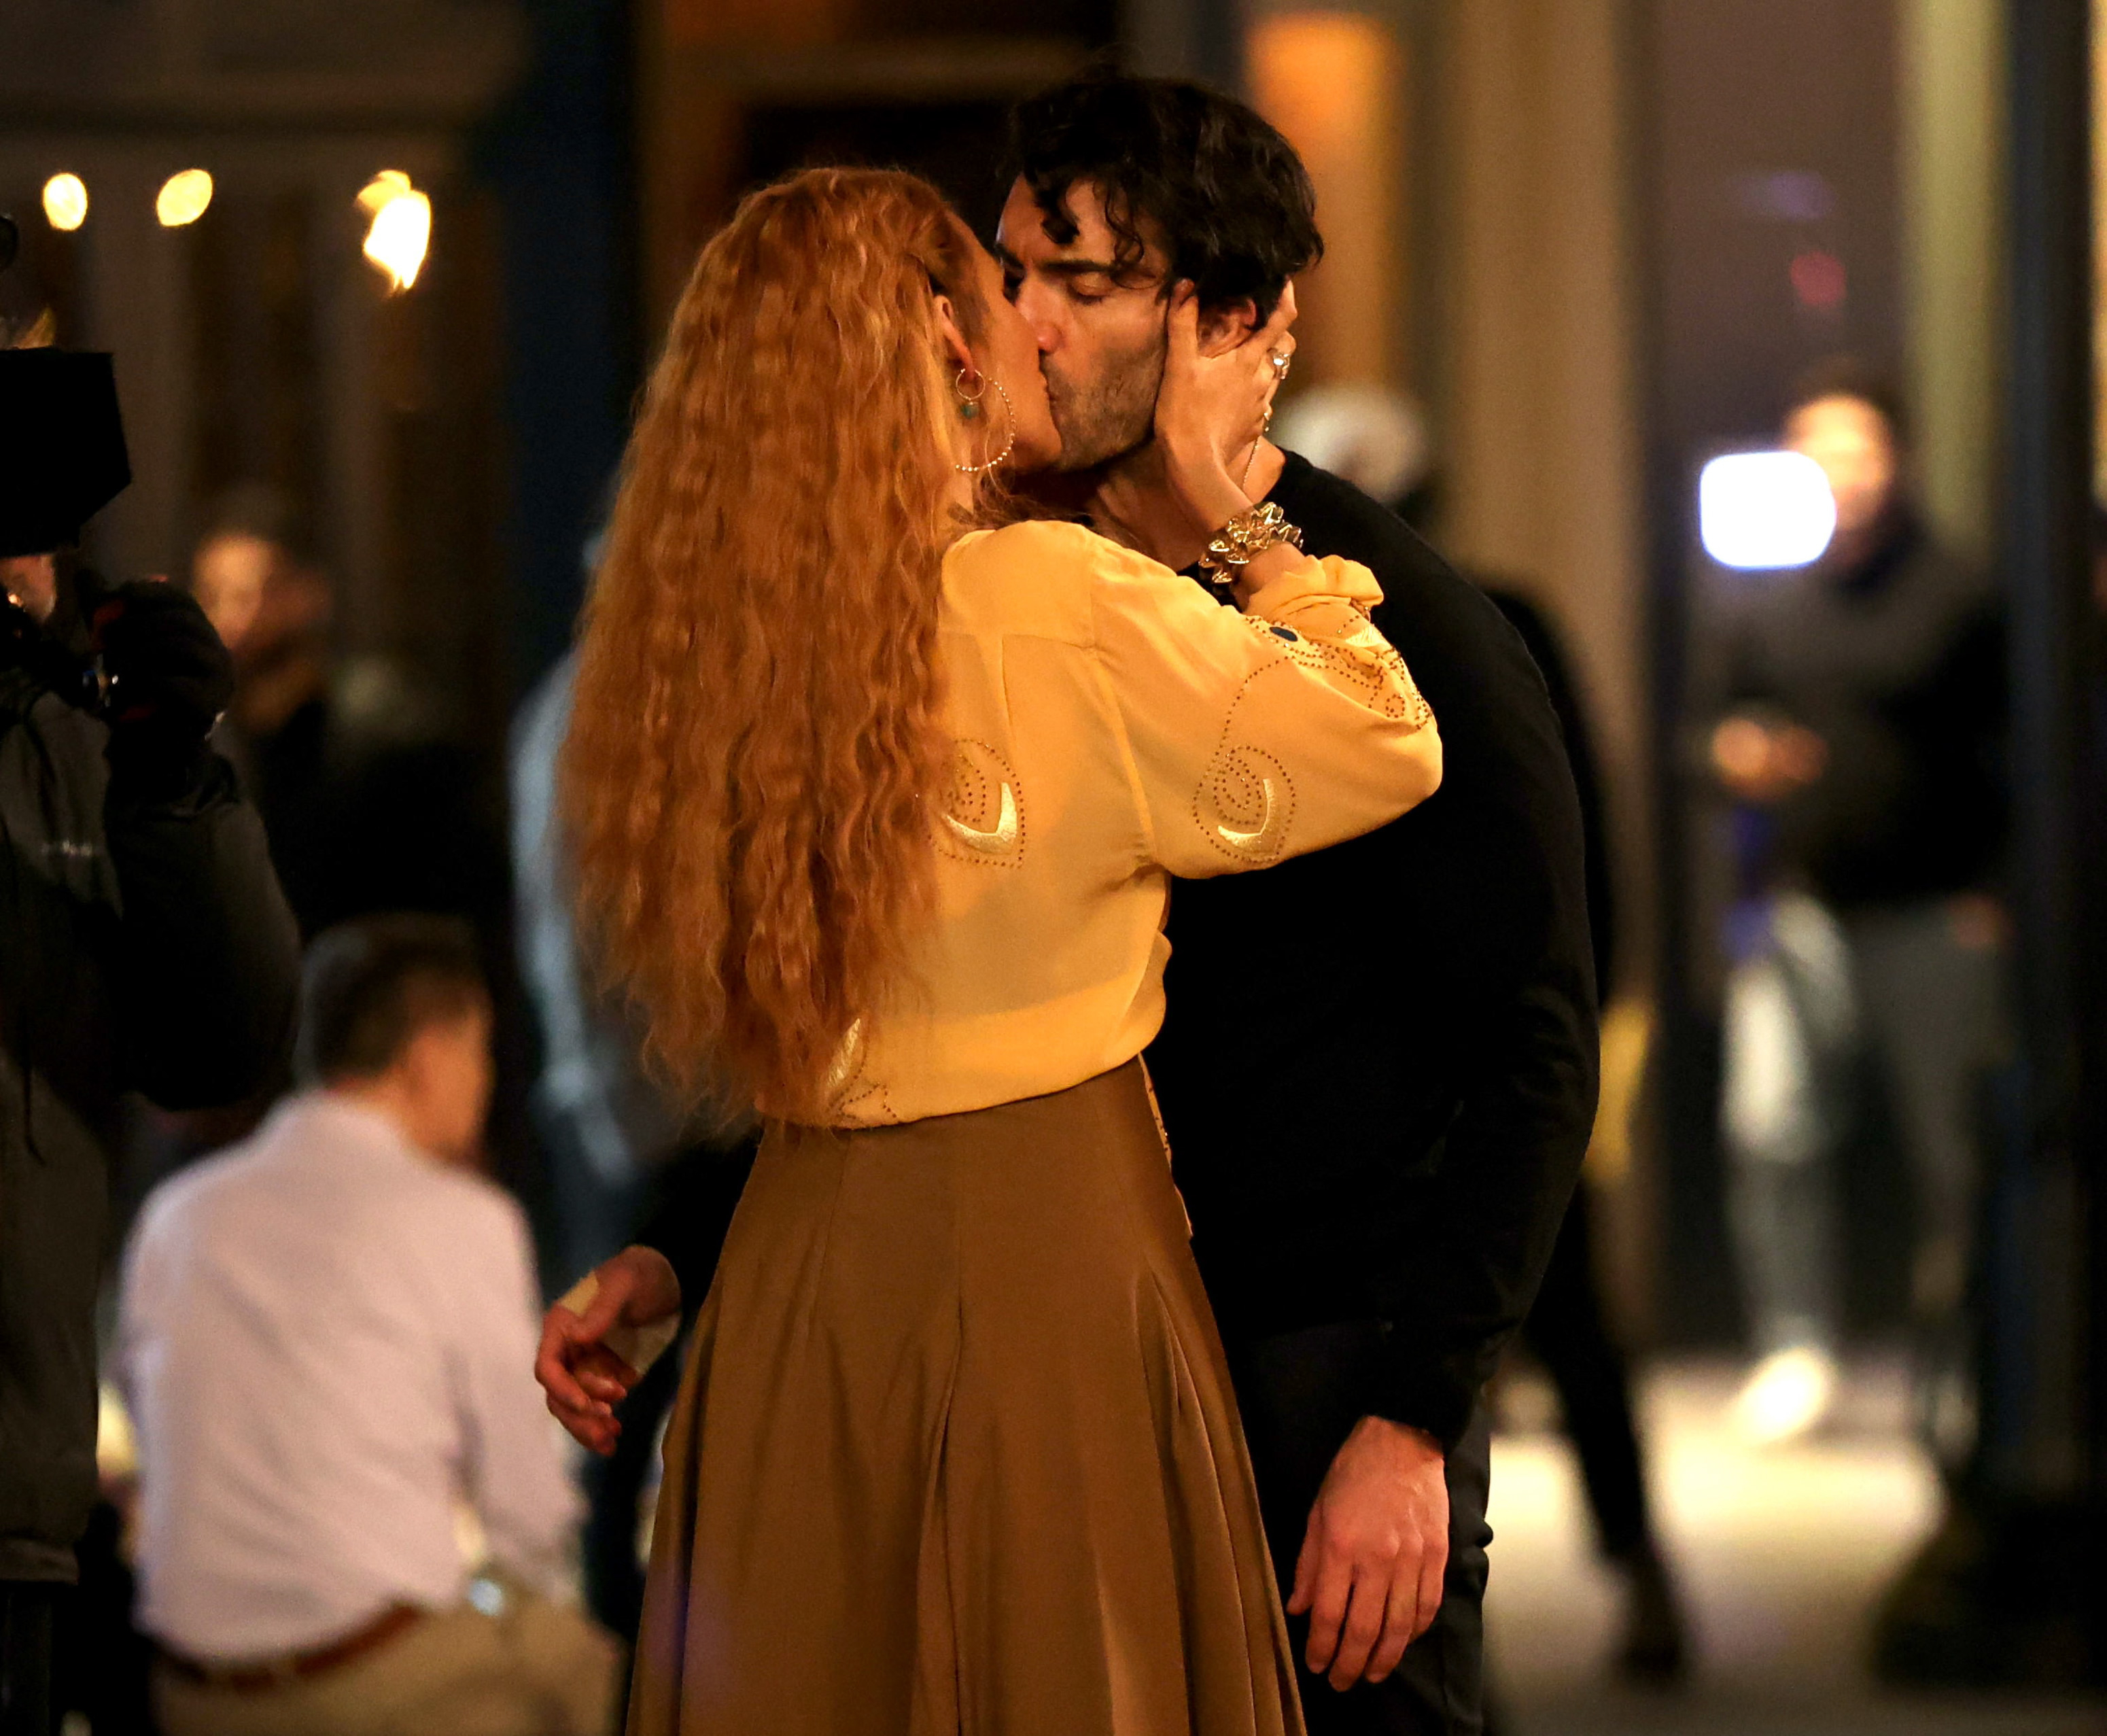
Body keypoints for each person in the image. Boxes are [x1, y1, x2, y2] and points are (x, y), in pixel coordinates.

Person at [540, 165, 1444, 1733]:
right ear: (948, 359)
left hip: (794, 1282)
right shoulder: (1051, 598)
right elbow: (1381, 737)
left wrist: (674, 1252)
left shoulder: (711, 653)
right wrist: (1249, 523)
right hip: (1046, 1260)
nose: (1036, 326)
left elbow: (826, 1050)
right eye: (998, 294)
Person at [991, 76, 1598, 1736]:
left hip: (1319, 1368)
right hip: (1079, 1353)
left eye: (1084, 281)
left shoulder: (1402, 622)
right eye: (1015, 272)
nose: (1024, 322)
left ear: (1237, 317)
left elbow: (1534, 1048)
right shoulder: (1014, 582)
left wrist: (1408, 1420)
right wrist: (688, 1241)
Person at [1278, 383, 1689, 1683]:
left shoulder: (1480, 624)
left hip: (1484, 1054)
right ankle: (1567, 1598)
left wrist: (1589, 1017)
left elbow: (1566, 847)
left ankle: (1631, 1567)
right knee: (1538, 1320)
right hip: (1418, 1063)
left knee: (1555, 1310)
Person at [0, 345, 302, 1736]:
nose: (30, 576)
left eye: (40, 536)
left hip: (20, 1516)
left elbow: (215, 1046)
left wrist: (175, 785)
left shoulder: (55, 742)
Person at [118, 914, 618, 1735]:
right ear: (429, 1055)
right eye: (480, 1051)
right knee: (630, 1688)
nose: (484, 1081)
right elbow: (525, 1511)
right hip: (376, 1686)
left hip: (189, 1692)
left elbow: (147, 1424)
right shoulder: (462, 1218)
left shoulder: (179, 1216)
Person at [1706, 361, 2008, 1450]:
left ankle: (1976, 1360)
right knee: (1769, 1128)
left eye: (1858, 449)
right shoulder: (1772, 599)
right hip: (1801, 909)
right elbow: (1718, 726)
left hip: (1935, 910)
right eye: (1819, 450)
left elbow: (2018, 749)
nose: (1840, 471)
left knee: (1959, 1152)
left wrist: (1997, 893)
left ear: (1898, 460)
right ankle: (1797, 1347)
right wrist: (1739, 755)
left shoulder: (1960, 592)